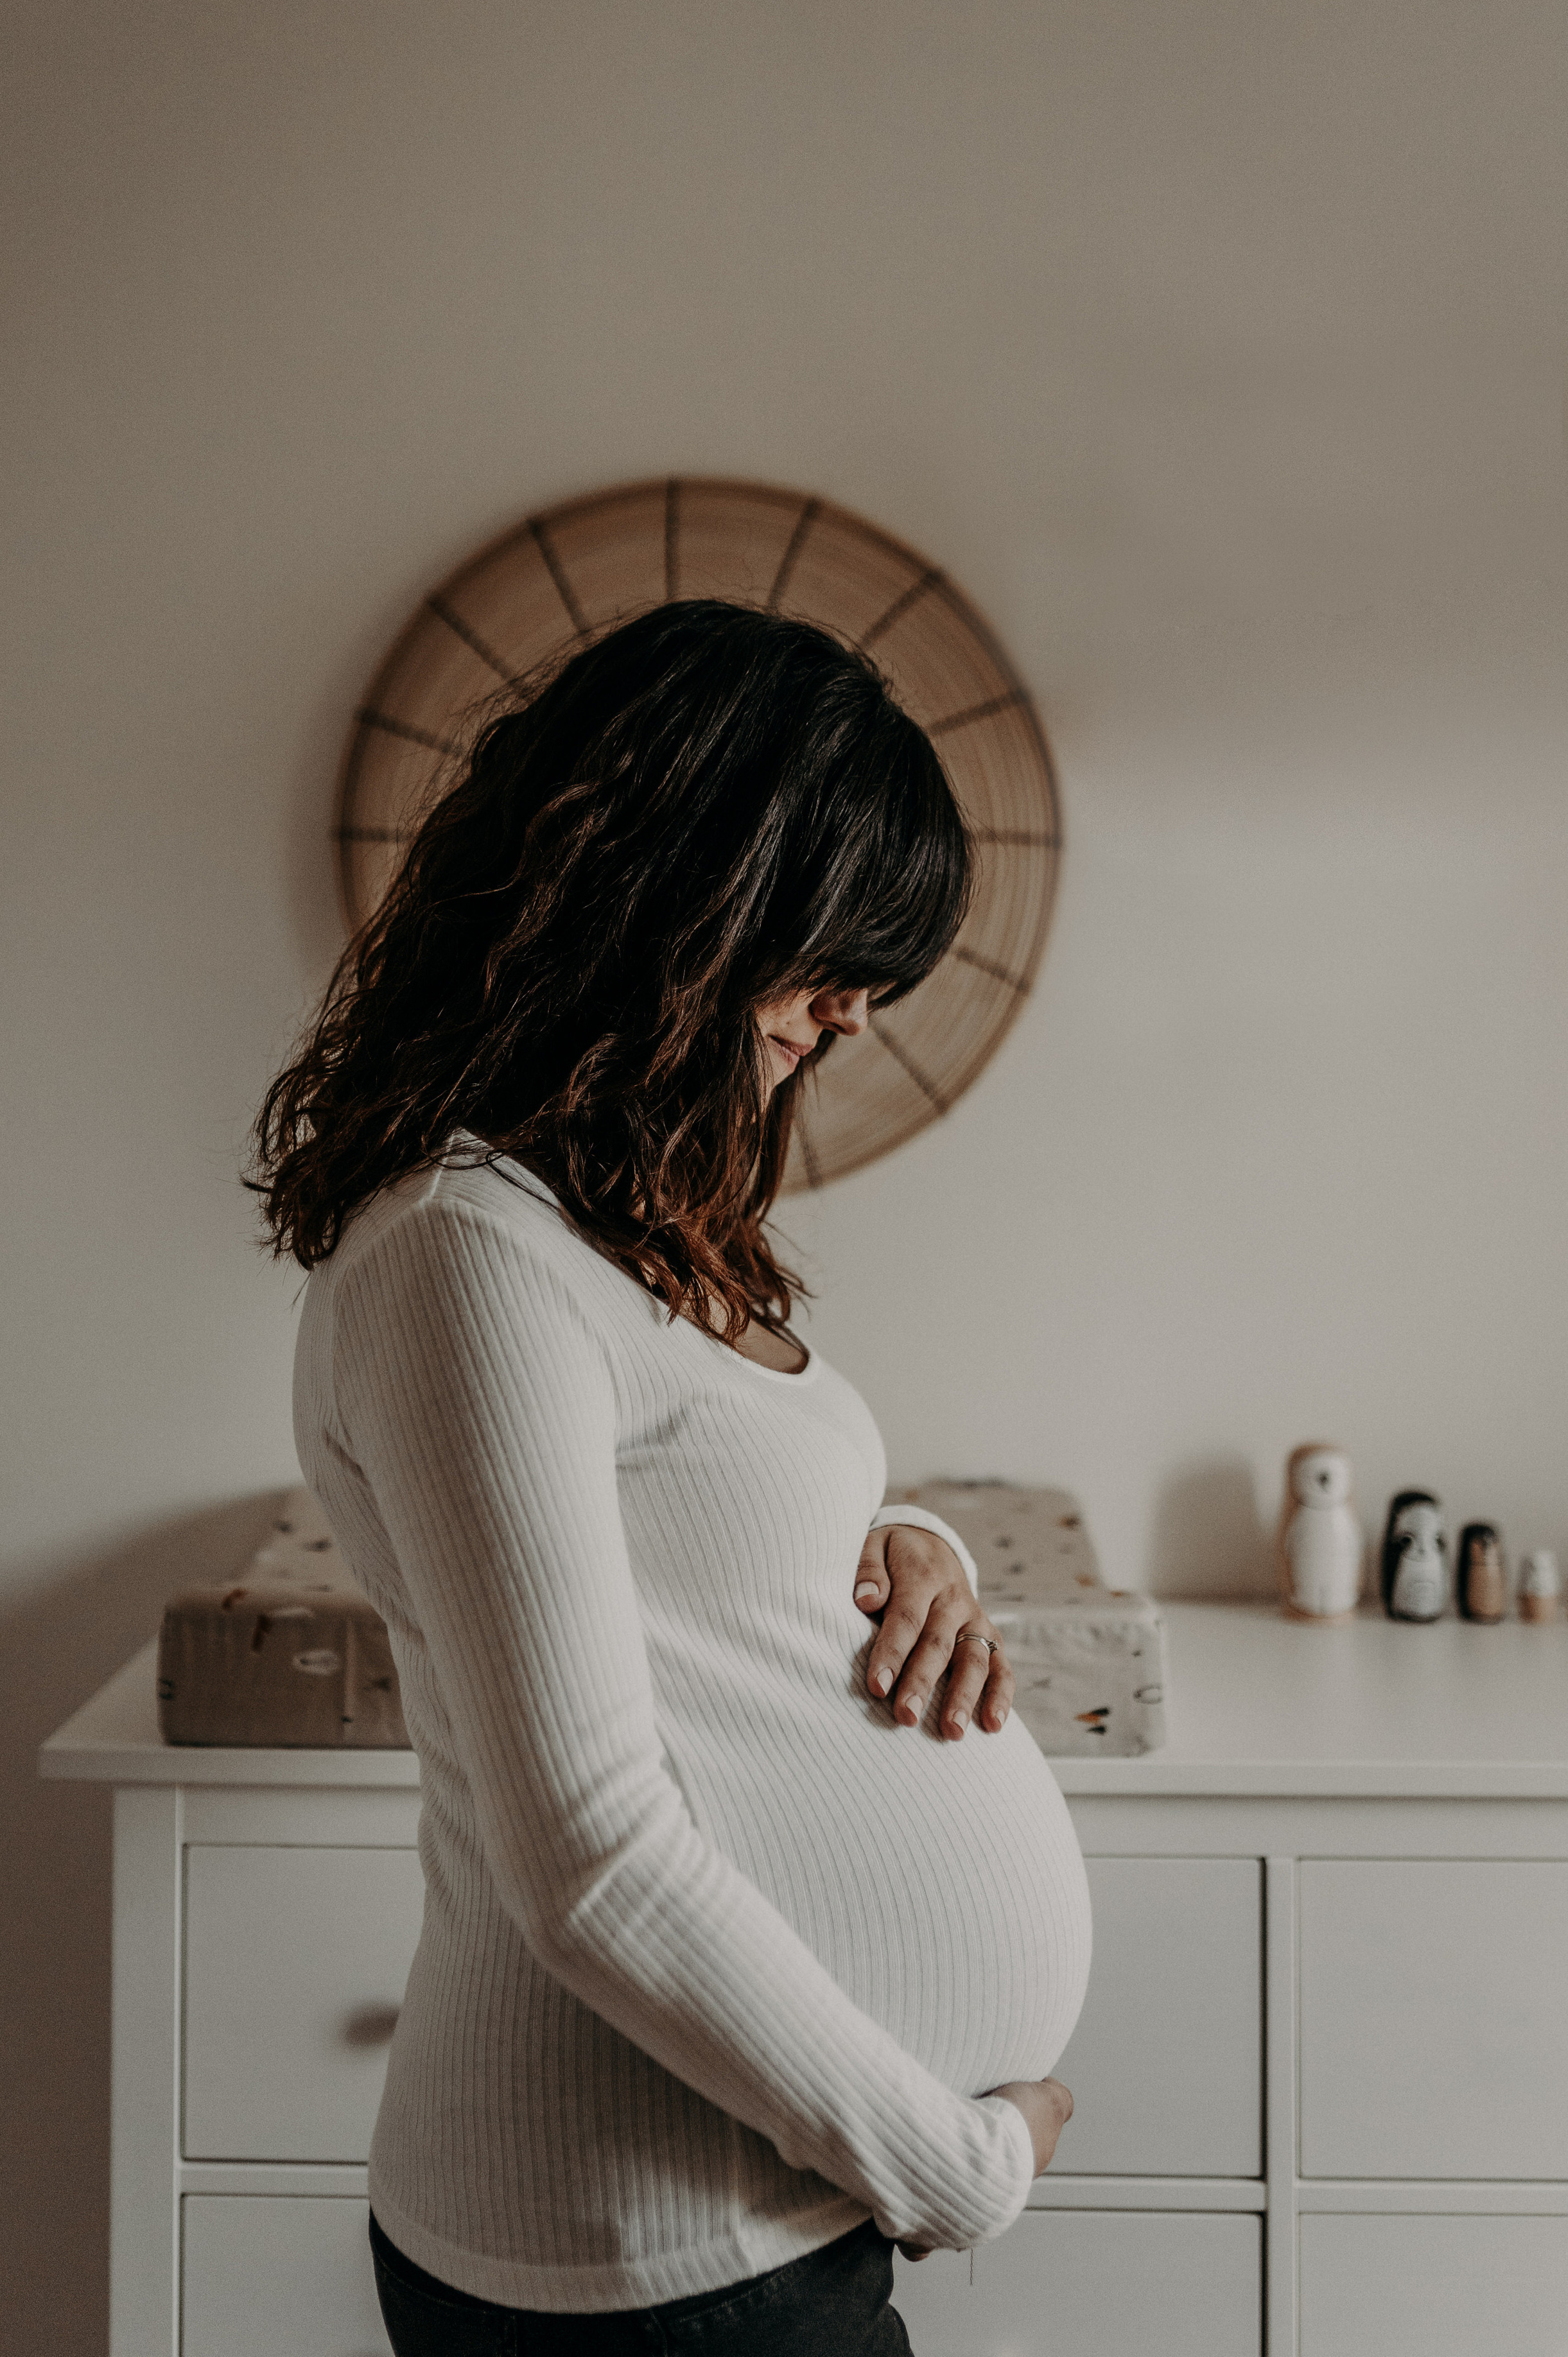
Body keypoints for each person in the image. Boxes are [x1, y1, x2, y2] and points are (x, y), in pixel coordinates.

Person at [248, 600, 1090, 2354]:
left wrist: (909, 1542)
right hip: (646, 2252)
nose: (854, 1017)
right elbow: (593, 1861)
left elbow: (716, 1522)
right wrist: (958, 2166)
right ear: (675, 895)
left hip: (746, 2220)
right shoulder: (462, 1256)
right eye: (832, 954)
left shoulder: (613, 1226)